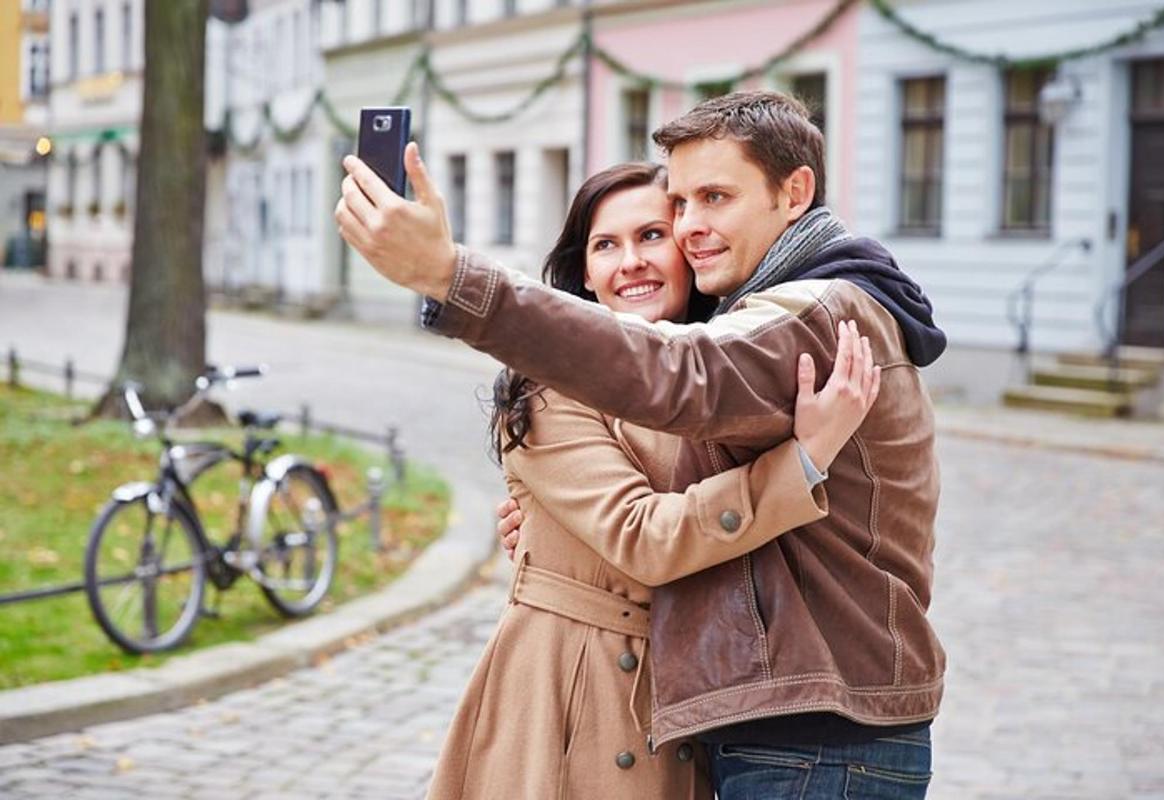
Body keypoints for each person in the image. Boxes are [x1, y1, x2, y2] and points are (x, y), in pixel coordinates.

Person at [337, 90, 946, 798]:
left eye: (697, 207)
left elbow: (677, 377)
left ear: (794, 193)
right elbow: (643, 511)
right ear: (583, 275)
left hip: (802, 724)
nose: (685, 231)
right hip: (609, 709)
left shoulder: (798, 319)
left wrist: (453, 276)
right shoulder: (579, 379)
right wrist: (551, 535)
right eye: (679, 206)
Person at [422, 162, 880, 799]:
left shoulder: (726, 378)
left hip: (684, 702)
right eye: (605, 245)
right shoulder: (550, 385)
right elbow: (641, 540)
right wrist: (804, 458)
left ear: (689, 247)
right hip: (571, 696)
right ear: (584, 272)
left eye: (651, 236)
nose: (629, 261)